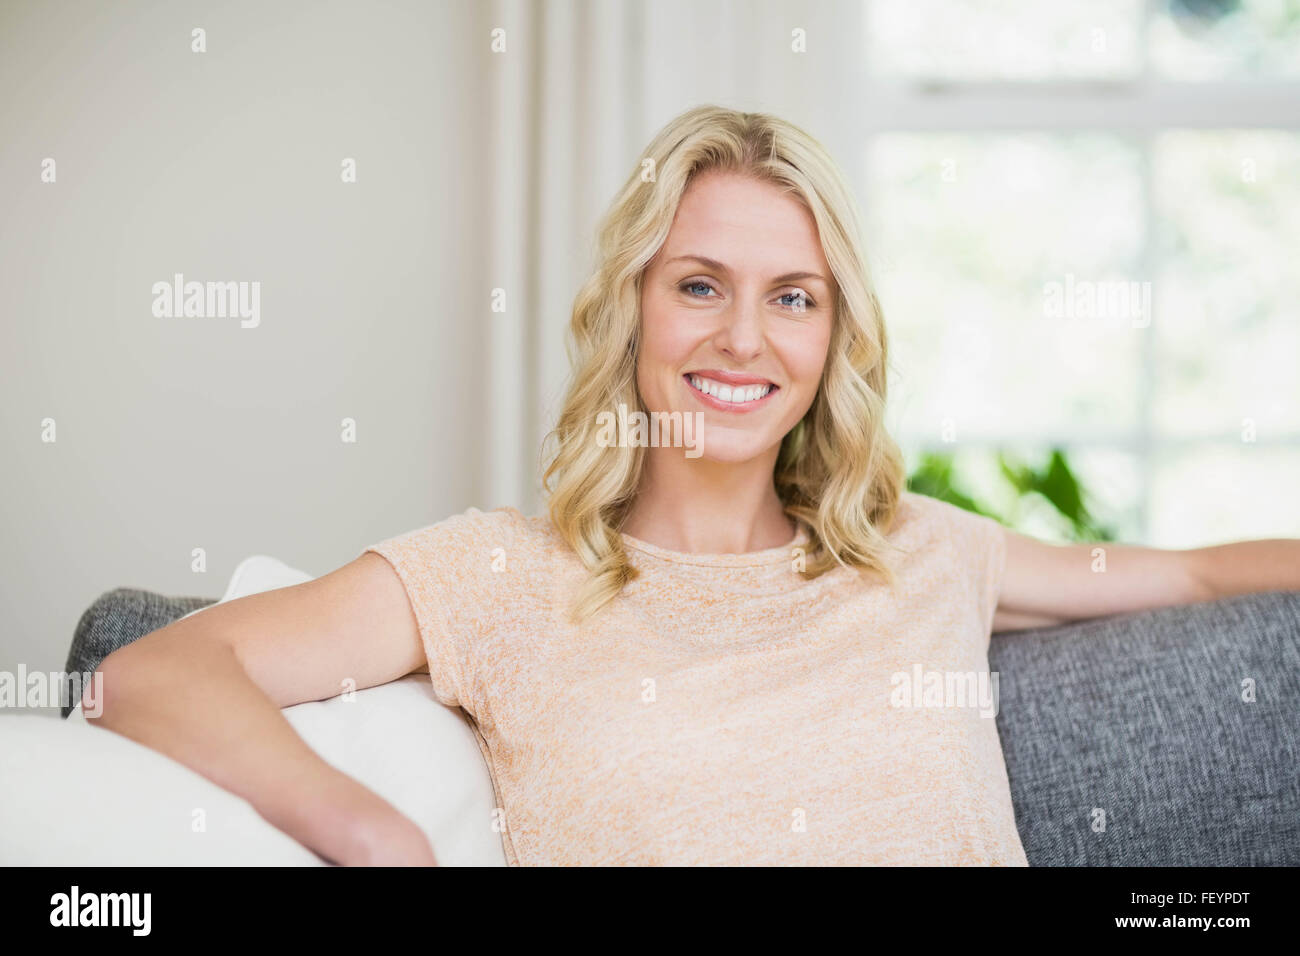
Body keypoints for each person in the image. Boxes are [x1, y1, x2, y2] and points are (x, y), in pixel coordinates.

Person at [89, 105, 1300, 866]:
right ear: (632, 309)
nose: (743, 340)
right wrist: (377, 837)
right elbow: (152, 668)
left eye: (792, 297)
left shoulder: (918, 550)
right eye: (699, 284)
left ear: (832, 338)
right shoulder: (500, 574)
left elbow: (1193, 571)